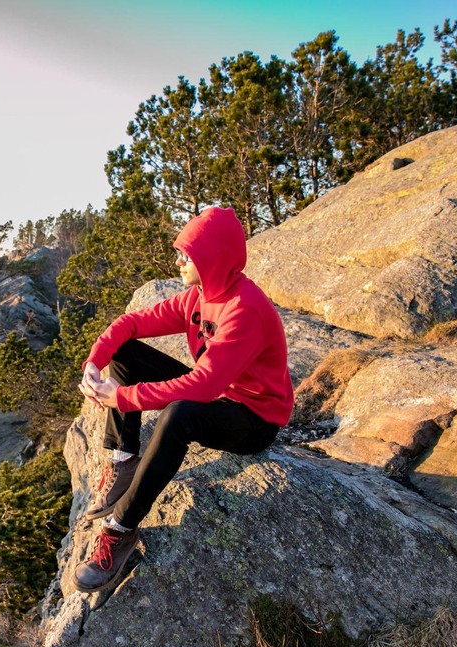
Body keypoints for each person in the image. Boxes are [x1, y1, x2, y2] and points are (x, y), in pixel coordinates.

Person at [72, 206, 294, 593]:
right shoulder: (199, 296)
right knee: (125, 352)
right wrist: (95, 362)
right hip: (218, 393)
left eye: (186, 256)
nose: (177, 262)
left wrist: (124, 397)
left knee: (179, 415)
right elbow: (132, 324)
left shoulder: (245, 310)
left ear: (211, 258)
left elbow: (203, 386)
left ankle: (121, 527)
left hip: (254, 420)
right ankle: (124, 460)